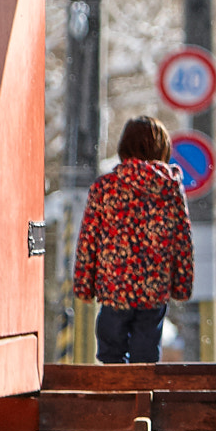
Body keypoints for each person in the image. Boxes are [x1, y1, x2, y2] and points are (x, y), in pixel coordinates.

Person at [73, 114, 194, 365]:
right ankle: (141, 398)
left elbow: (88, 241)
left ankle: (116, 398)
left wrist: (84, 285)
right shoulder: (170, 189)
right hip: (154, 287)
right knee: (146, 356)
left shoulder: (105, 187)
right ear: (163, 148)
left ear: (124, 147)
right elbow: (182, 241)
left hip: (114, 285)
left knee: (110, 353)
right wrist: (181, 285)